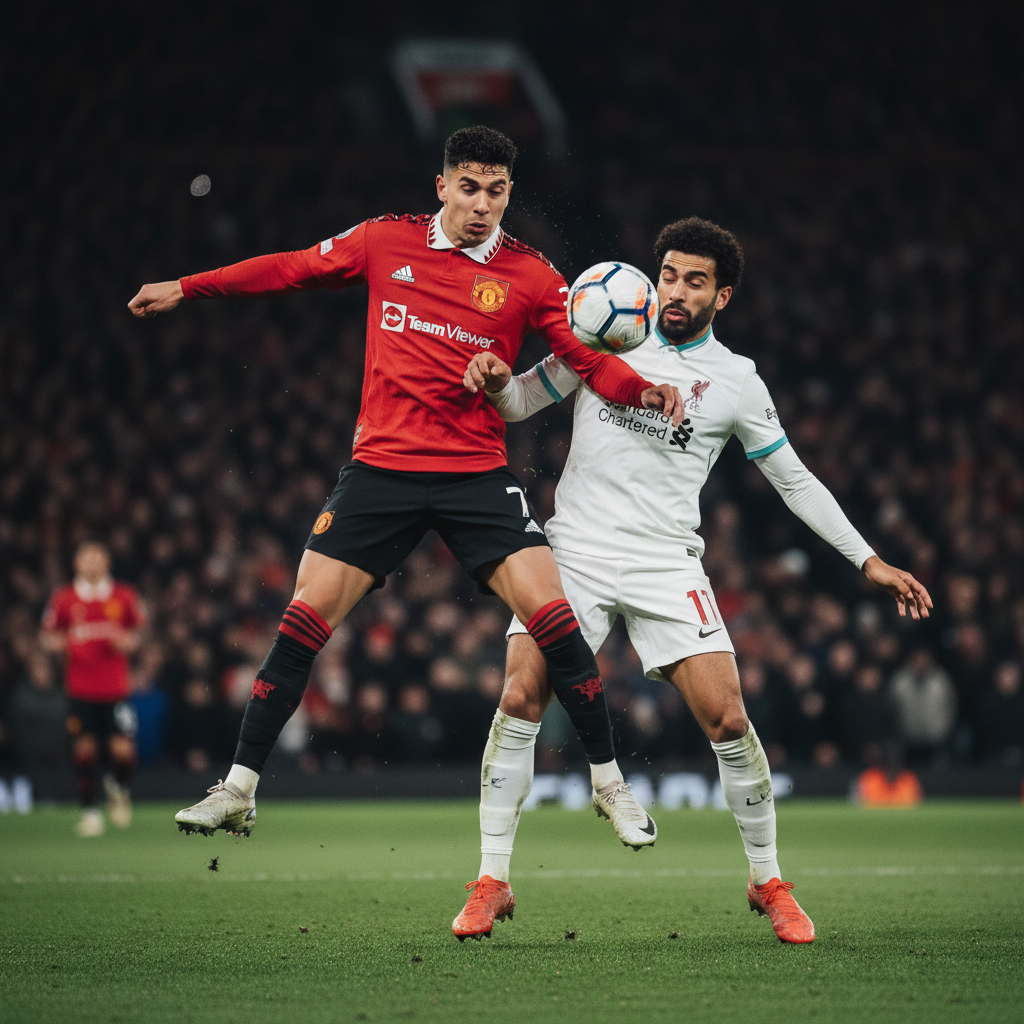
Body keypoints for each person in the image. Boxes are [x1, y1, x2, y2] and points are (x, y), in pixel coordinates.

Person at [127, 126, 683, 839]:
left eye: (497, 190)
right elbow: (292, 268)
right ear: (444, 184)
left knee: (554, 618)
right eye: (471, 186)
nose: (483, 203)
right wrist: (188, 286)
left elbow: (586, 357)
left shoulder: (535, 277)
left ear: (510, 193)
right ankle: (238, 788)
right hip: (381, 470)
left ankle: (608, 783)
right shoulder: (385, 241)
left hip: (474, 473)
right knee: (302, 620)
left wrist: (641, 389)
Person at [454, 216, 933, 943]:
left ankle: (768, 881)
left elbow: (794, 480)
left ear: (723, 296)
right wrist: (493, 382)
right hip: (576, 549)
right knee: (520, 693)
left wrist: (866, 558)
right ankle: (491, 882)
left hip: (665, 560)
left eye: (695, 281)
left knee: (729, 719)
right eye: (669, 275)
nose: (675, 291)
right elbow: (520, 402)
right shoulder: (604, 335)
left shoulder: (736, 382)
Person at [41, 541, 145, 836]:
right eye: (86, 558)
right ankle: (90, 814)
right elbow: (48, 635)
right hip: (80, 690)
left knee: (123, 752)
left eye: (97, 558)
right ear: (77, 563)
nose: (91, 564)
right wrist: (59, 645)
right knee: (84, 750)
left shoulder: (123, 595)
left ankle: (118, 785)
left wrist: (129, 642)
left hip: (116, 690)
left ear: (107, 562)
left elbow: (139, 631)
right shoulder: (64, 599)